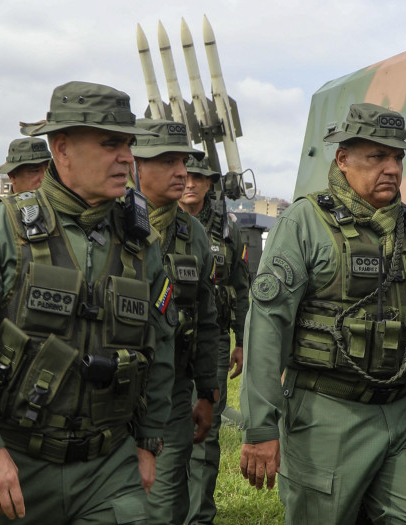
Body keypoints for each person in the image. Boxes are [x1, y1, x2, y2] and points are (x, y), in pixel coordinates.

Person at [0, 81, 176, 525]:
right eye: (110, 143)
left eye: (128, 144)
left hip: (109, 467)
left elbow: (161, 346)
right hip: (18, 464)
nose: (126, 157)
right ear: (62, 149)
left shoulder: (142, 244)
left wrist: (147, 441)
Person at [238, 103, 406, 525]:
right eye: (377, 156)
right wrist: (260, 427)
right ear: (343, 159)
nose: (391, 167)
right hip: (329, 410)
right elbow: (267, 325)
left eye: (397, 157)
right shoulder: (305, 222)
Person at [131, 119, 221, 524]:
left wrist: (207, 392)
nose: (181, 172)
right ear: (136, 165)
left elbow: (207, 319)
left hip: (172, 393)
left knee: (165, 506)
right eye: (167, 161)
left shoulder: (193, 234)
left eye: (182, 161)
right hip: (111, 391)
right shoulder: (111, 221)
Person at [182, 156, 249, 525]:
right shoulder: (151, 220)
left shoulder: (228, 228)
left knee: (206, 433)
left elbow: (241, 286)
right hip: (165, 340)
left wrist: (242, 340)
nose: (191, 182)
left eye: (199, 177)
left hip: (214, 342)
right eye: (186, 175)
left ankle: (198, 516)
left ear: (210, 183)